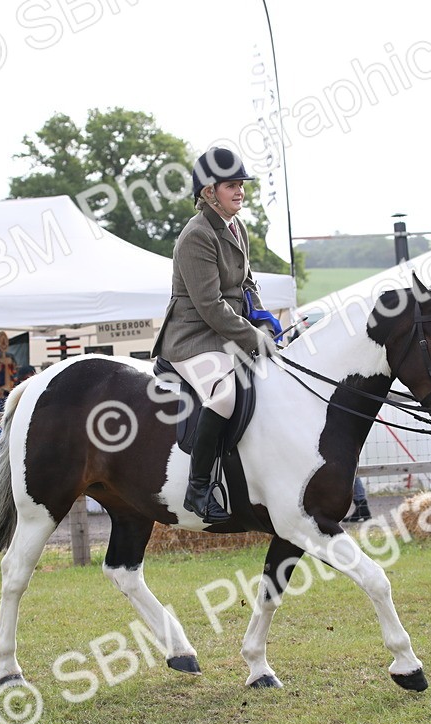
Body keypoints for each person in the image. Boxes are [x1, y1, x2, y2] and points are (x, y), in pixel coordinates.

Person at [152, 146, 277, 524]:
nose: (239, 191)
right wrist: (254, 339)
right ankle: (199, 487)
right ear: (209, 193)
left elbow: (246, 282)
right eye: (231, 185)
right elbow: (210, 306)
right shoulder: (196, 236)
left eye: (241, 184)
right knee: (223, 396)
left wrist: (262, 317)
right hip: (193, 337)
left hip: (226, 330)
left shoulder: (236, 226)